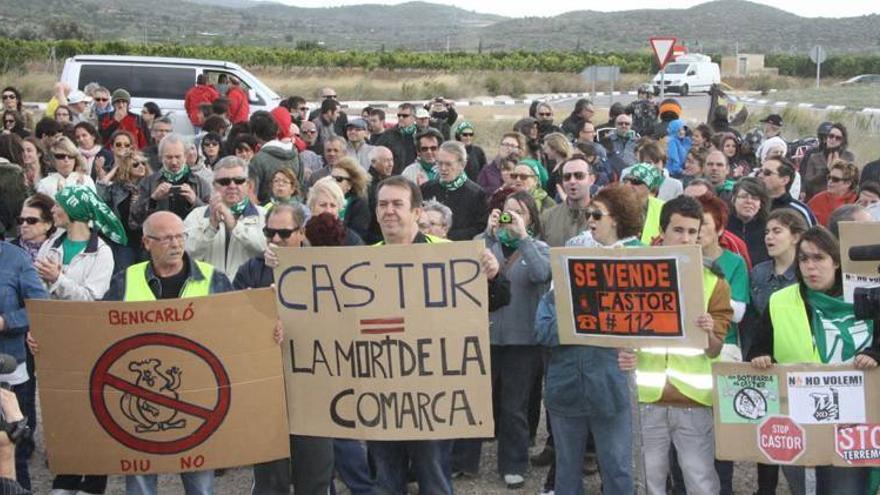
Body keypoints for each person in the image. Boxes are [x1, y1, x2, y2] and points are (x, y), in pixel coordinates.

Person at [367, 175, 505, 495]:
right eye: (383, 204)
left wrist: (493, 276)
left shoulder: (448, 253)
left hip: (433, 392)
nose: (389, 211)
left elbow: (498, 299)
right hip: (381, 391)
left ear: (416, 212)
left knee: (434, 476)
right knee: (386, 478)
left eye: (397, 204)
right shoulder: (363, 259)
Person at [101, 211, 234, 495]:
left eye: (179, 236)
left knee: (200, 482)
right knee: (140, 480)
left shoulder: (214, 280)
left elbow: (236, 332)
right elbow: (99, 334)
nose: (176, 244)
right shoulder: (125, 280)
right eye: (166, 238)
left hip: (200, 396)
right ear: (147, 243)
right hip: (139, 398)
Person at [749, 226, 879, 495]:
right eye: (804, 259)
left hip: (855, 425)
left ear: (836, 261)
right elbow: (759, 347)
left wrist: (875, 354)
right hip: (800, 422)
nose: (810, 267)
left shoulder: (868, 295)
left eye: (818, 258)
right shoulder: (780, 301)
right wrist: (759, 357)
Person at [620, 195, 733, 495]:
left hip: (693, 400)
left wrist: (710, 331)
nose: (685, 238)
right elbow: (619, 328)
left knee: (700, 480)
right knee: (647, 480)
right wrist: (623, 352)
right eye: (678, 230)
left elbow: (715, 347)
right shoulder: (633, 275)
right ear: (662, 230)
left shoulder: (714, 281)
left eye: (692, 232)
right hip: (646, 397)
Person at [536, 183, 642, 495]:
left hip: (611, 387)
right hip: (565, 386)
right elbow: (542, 329)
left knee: (618, 470)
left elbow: (651, 329)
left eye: (597, 214)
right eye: (588, 214)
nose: (590, 219)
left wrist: (583, 324)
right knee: (566, 474)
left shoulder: (640, 263)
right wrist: (590, 322)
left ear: (618, 219)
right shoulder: (569, 267)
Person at [234, 203, 335, 495]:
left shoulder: (325, 269)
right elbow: (234, 325)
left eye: (284, 233)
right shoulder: (251, 271)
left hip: (314, 387)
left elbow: (342, 322)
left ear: (302, 233)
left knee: (315, 475)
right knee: (269, 480)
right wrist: (262, 320)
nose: (275, 239)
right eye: (269, 233)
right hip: (267, 389)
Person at [36, 185, 124, 495]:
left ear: (74, 211)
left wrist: (58, 279)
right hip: (56, 340)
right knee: (63, 409)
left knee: (94, 408)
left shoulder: (102, 252)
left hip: (88, 342)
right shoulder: (50, 245)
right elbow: (37, 294)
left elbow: (91, 298)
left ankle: (93, 480)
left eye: (59, 206)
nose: (54, 212)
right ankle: (66, 477)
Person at [476, 190, 550, 488]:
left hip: (523, 342)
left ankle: (514, 463)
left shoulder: (538, 246)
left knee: (513, 406)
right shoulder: (488, 243)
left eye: (518, 212)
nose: (510, 216)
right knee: (478, 402)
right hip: (488, 336)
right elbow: (466, 266)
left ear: (530, 217)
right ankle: (463, 461)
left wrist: (522, 237)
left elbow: (541, 274)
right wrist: (488, 231)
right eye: (506, 210)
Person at [1, 209, 50, 491]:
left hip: (8, 368)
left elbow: (38, 306)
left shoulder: (15, 259)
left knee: (12, 453)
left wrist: (6, 321)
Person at [184, 156, 265, 277]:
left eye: (239, 181)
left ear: (248, 185)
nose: (232, 186)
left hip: (247, 291)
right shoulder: (196, 216)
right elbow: (185, 255)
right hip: (209, 290)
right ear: (214, 185)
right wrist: (211, 227)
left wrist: (235, 226)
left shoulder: (264, 215)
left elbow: (267, 252)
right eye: (224, 182)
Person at [132, 133, 212, 223]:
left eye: (178, 157)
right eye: (169, 157)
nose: (174, 162)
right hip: (160, 234)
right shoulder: (148, 182)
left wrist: (195, 201)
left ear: (185, 156)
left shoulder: (200, 183)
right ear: (161, 157)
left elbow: (211, 217)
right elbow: (134, 219)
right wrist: (153, 200)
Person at [420, 140, 488, 241]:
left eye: (448, 164)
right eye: (440, 163)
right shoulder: (426, 188)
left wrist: (447, 235)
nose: (443, 168)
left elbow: (480, 227)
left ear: (462, 164)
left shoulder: (476, 194)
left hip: (460, 247)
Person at [98, 151, 149, 269]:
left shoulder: (150, 186)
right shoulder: (116, 189)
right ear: (126, 168)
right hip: (124, 242)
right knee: (124, 277)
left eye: (143, 163)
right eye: (135, 164)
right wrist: (112, 172)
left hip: (145, 241)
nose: (141, 166)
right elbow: (99, 199)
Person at [539, 155, 595, 248]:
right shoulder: (547, 217)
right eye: (567, 177)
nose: (572, 181)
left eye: (579, 176)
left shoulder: (605, 217)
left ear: (591, 179)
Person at [802, 123, 855, 202]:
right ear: (826, 138)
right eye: (831, 136)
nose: (833, 140)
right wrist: (826, 170)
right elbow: (808, 183)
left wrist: (838, 168)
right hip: (816, 198)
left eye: (838, 138)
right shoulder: (815, 157)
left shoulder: (848, 157)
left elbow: (852, 181)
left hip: (839, 199)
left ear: (842, 141)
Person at [759, 157, 816, 228]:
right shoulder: (753, 206)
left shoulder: (799, 211)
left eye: (767, 173)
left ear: (784, 180)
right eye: (760, 171)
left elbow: (813, 237)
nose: (760, 176)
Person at [726, 177, 771, 266]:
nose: (749, 201)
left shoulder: (769, 229)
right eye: (743, 196)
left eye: (754, 198)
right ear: (733, 200)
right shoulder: (723, 226)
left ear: (760, 204)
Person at [307, 177, 363, 246]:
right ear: (312, 207)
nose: (328, 210)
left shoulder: (352, 241)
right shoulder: (301, 237)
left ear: (339, 208)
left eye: (333, 206)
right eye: (323, 205)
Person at [622, 162, 665, 245]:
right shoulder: (612, 204)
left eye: (635, 182)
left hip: (649, 255)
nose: (628, 185)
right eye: (626, 180)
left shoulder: (662, 208)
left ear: (649, 187)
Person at [329, 156, 371, 240]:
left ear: (350, 184)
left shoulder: (359, 204)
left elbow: (357, 236)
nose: (333, 182)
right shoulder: (323, 200)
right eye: (331, 178)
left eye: (338, 179)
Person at [807, 160, 859, 227]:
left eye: (835, 179)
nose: (830, 182)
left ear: (848, 183)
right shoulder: (817, 199)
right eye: (829, 177)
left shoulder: (857, 202)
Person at [375, 103, 418, 174]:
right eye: (399, 115)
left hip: (415, 175)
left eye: (405, 116)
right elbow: (376, 154)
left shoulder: (421, 134)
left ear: (414, 118)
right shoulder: (388, 134)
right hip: (395, 176)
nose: (401, 118)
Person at [365, 146, 394, 244]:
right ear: (373, 163)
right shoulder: (366, 185)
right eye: (386, 161)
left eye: (391, 160)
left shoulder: (391, 182)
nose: (390, 164)